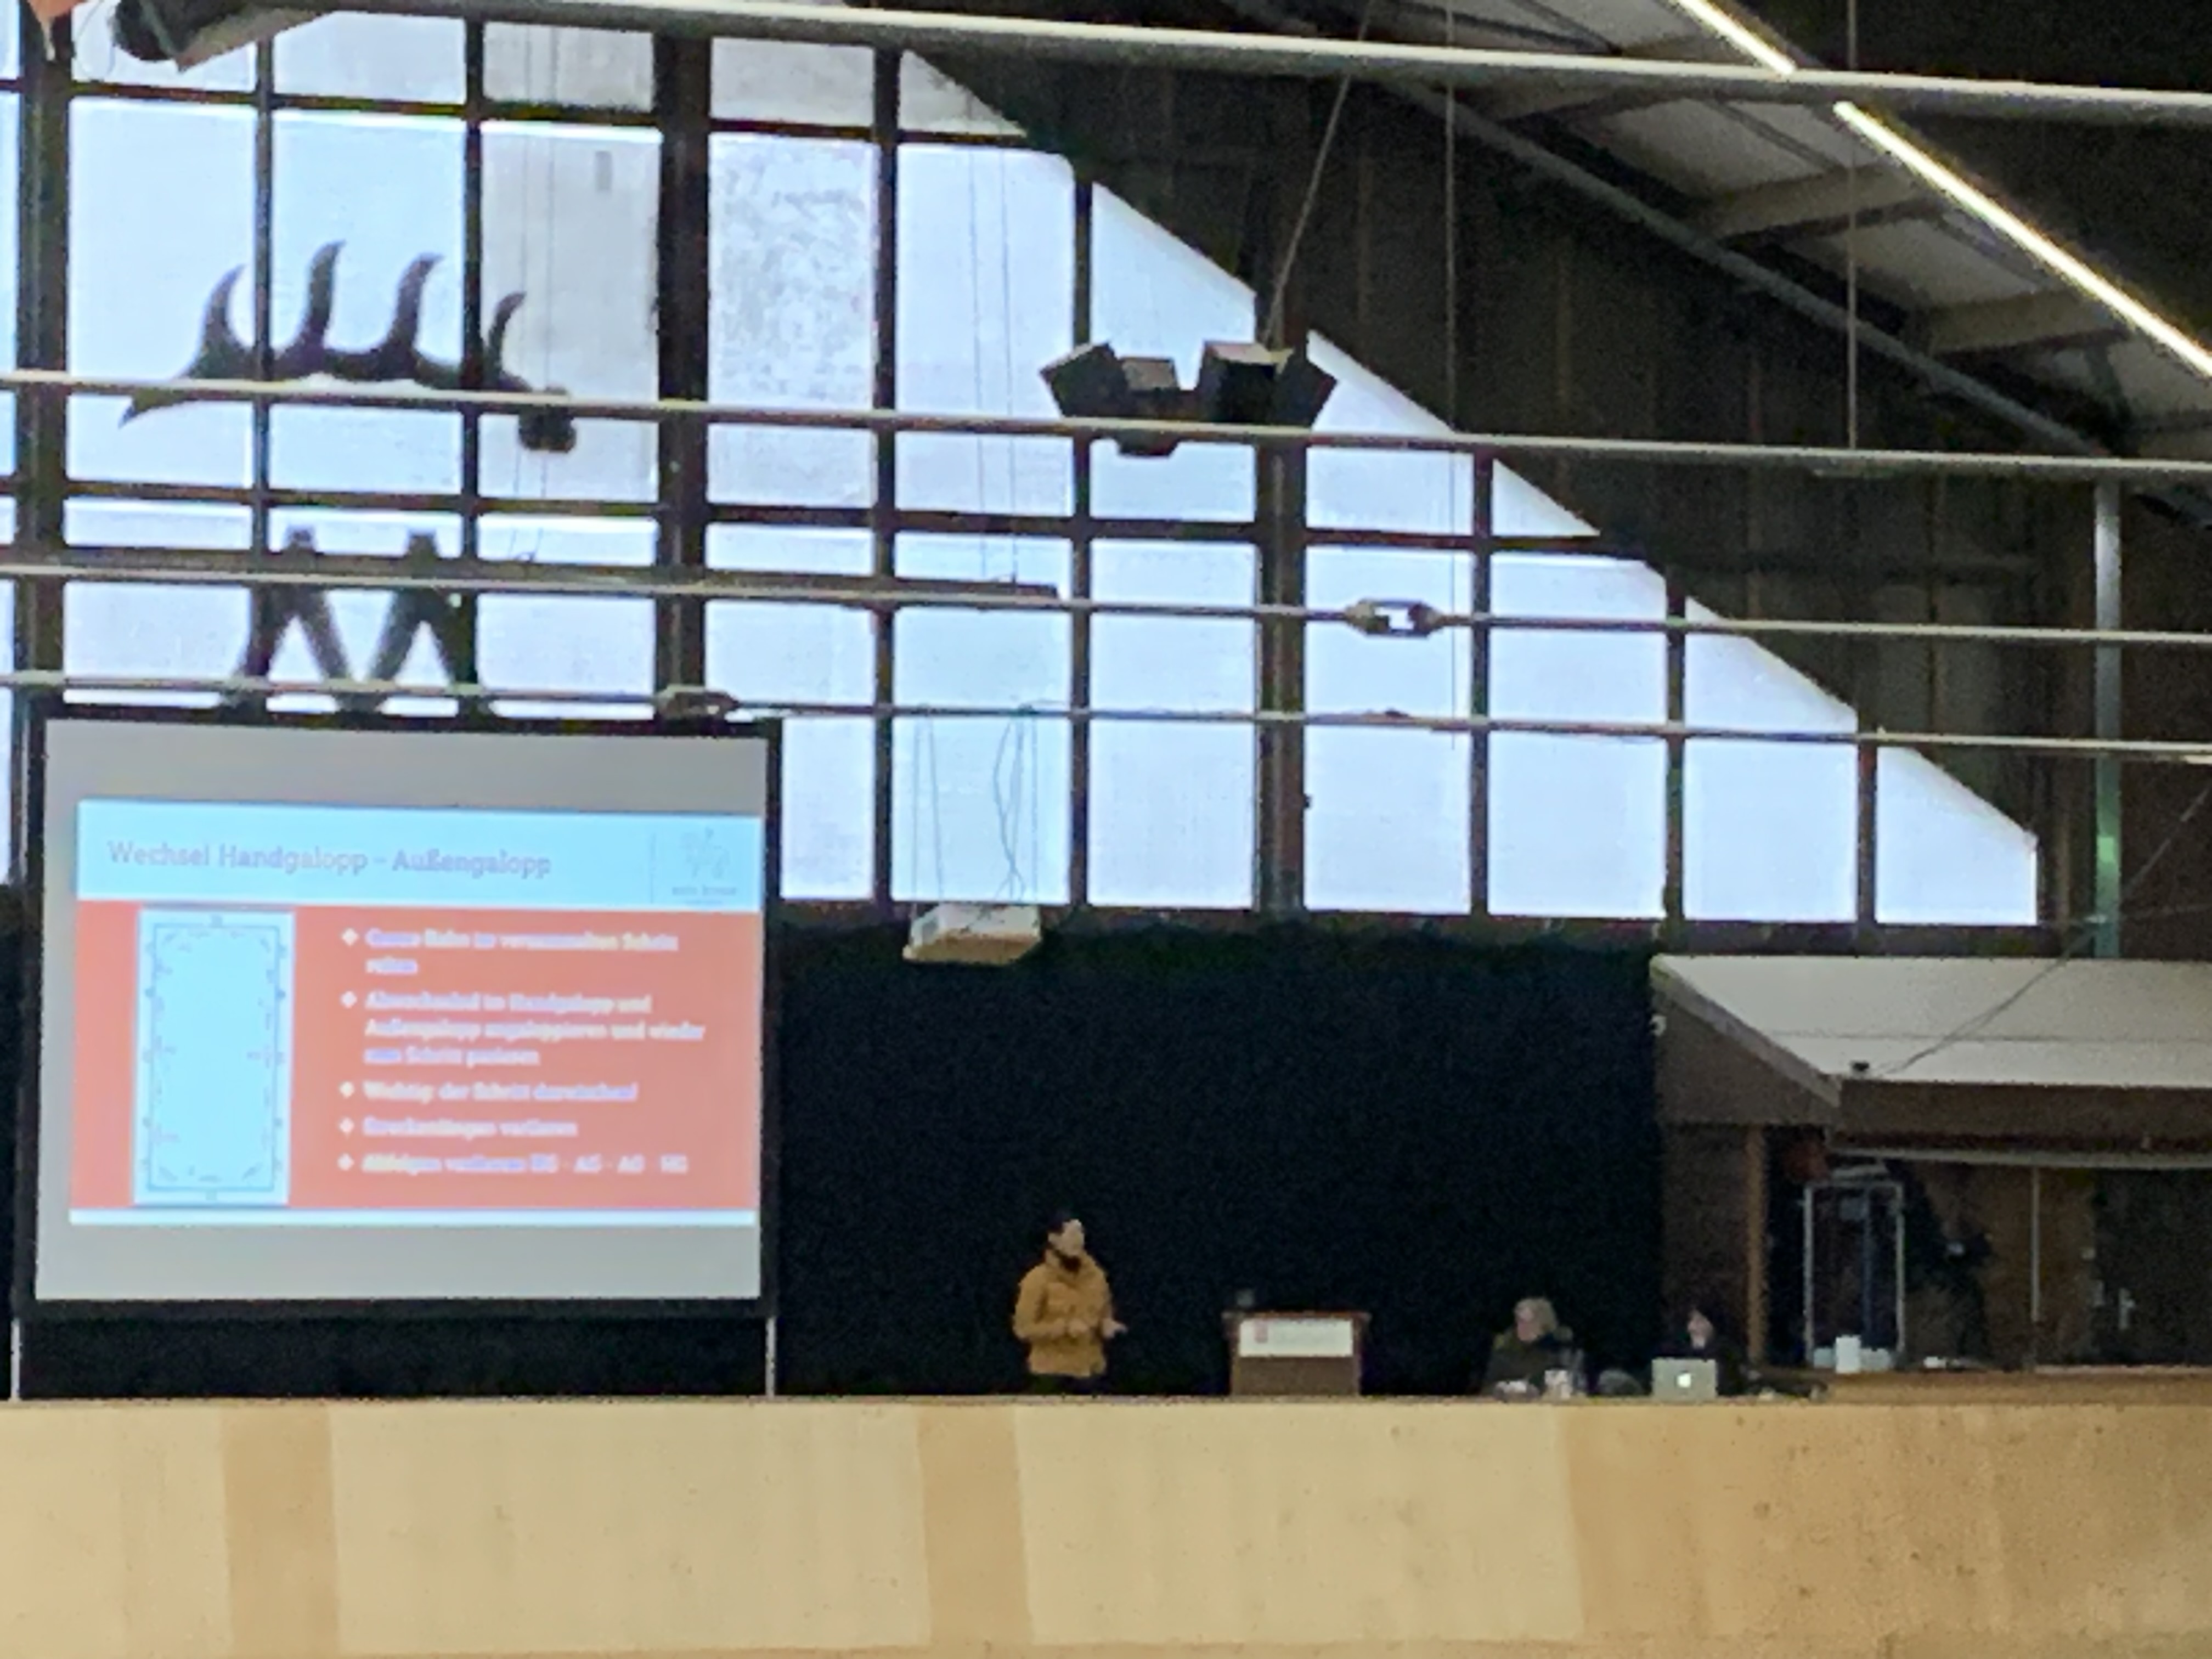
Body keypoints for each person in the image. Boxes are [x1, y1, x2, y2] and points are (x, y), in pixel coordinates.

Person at [1013, 1213, 1124, 1393]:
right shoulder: (1037, 1279)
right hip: (1051, 1374)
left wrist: (1106, 1325)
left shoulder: (1097, 1277)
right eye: (1071, 1234)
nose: (1078, 1240)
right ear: (1054, 1239)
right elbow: (1023, 1329)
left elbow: (1105, 1313)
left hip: (1090, 1371)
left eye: (1081, 1233)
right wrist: (1064, 1328)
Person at [1479, 1296, 1578, 1398]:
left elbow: (1575, 1386)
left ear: (1543, 1325)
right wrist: (1503, 1389)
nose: (1523, 1327)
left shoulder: (1558, 1353)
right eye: (1520, 1321)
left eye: (1530, 1322)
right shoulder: (1504, 1353)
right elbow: (1487, 1389)